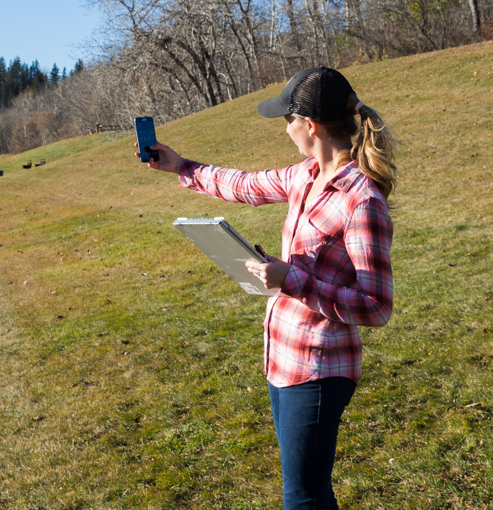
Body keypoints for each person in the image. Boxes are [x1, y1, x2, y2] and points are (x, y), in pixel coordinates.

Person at [136, 66, 397, 509]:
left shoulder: (362, 201)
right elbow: (245, 184)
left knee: (302, 497)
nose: (286, 129)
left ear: (309, 125)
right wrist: (181, 166)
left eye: (288, 120)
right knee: (310, 491)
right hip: (283, 357)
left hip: (319, 367)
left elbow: (376, 306)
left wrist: (292, 279)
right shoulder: (305, 175)